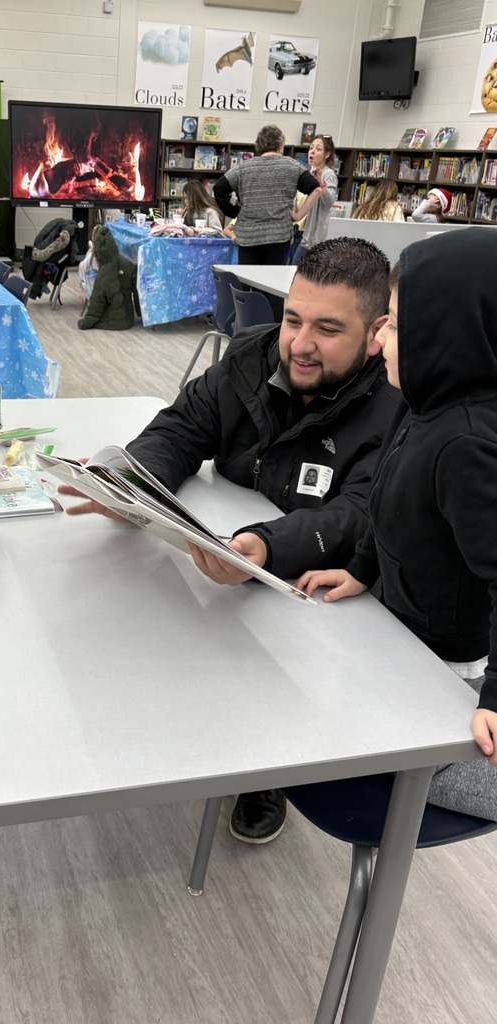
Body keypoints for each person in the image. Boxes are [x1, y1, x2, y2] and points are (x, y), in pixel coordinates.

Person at [60, 237, 400, 843]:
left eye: (327, 329)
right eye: (293, 318)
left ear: (376, 332)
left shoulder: (395, 409)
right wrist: (134, 480)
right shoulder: (253, 353)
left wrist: (268, 546)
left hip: (316, 604)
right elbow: (186, 425)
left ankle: (263, 768)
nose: (298, 343)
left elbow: (360, 514)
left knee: (263, 676)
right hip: (228, 557)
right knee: (128, 614)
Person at [298, 228, 497, 822]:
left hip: (447, 669)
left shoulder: (469, 444)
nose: (379, 337)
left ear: (451, 338)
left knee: (394, 770)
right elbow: (387, 501)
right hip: (401, 629)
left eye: (397, 326)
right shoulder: (419, 400)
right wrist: (361, 568)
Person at [213, 124, 323, 266]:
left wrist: (234, 211)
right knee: (272, 284)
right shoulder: (292, 166)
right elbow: (316, 189)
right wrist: (298, 216)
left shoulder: (244, 167)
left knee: (247, 283)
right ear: (280, 145)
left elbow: (219, 189)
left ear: (258, 145)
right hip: (279, 237)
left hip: (249, 237)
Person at [291, 135, 339, 265]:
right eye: (311, 148)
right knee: (290, 272)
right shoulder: (305, 173)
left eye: (318, 149)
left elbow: (329, 201)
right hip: (296, 232)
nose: (312, 151)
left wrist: (320, 183)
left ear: (327, 154)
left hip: (311, 236)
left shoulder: (328, 174)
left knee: (295, 273)